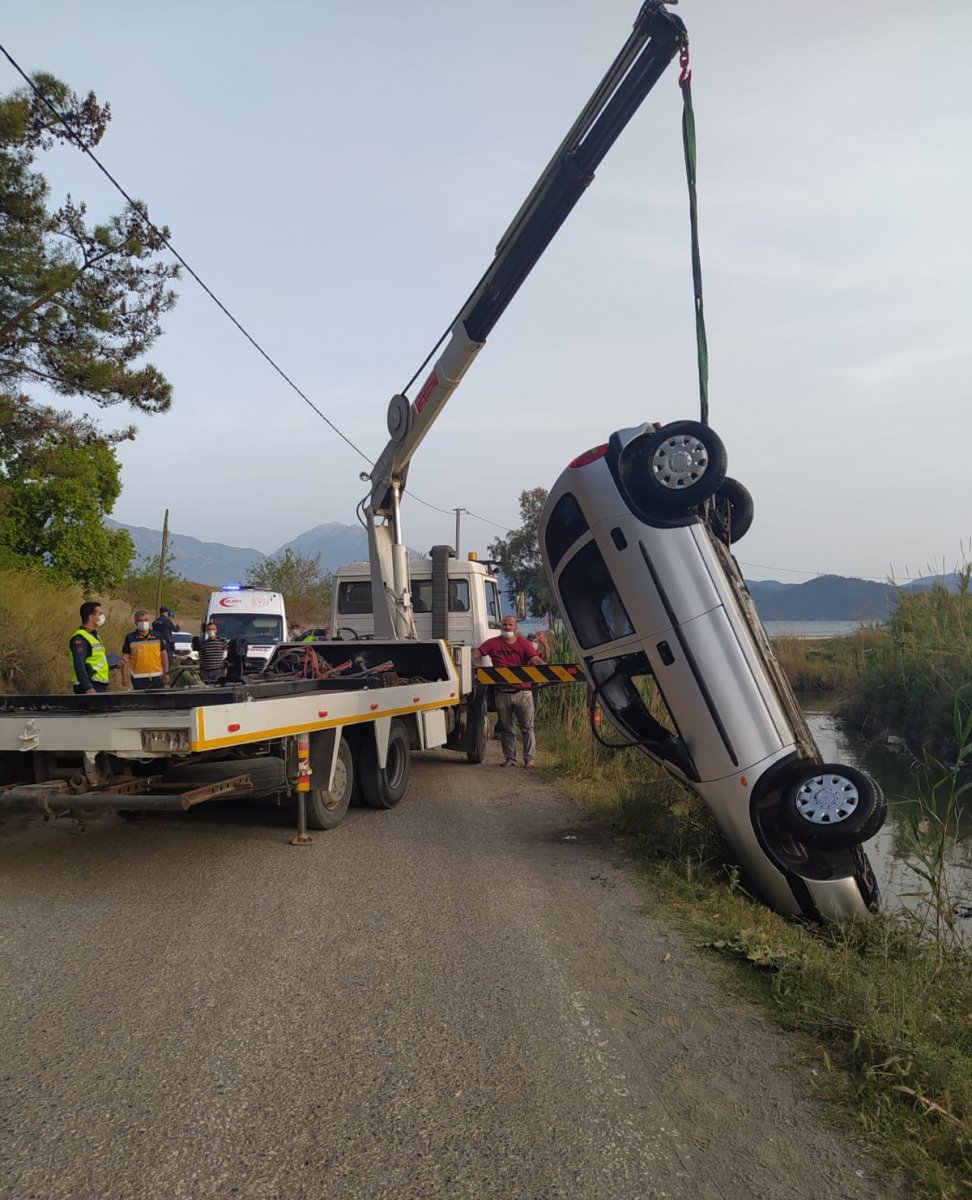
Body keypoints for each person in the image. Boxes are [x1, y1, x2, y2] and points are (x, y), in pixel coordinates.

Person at [476, 615, 543, 769]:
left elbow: (534, 658)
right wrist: (468, 658)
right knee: (506, 728)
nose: (507, 627)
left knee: (527, 728)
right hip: (502, 693)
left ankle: (529, 759)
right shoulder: (492, 643)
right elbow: (478, 652)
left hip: (523, 692)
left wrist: (544, 667)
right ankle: (510, 758)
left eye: (510, 625)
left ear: (515, 627)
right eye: (505, 624)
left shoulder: (524, 644)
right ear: (501, 626)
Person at [69, 601, 110, 695]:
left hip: (98, 684)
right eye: (100, 614)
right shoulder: (80, 638)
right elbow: (79, 664)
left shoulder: (94, 635)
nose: (102, 616)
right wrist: (88, 688)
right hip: (89, 686)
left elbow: (95, 660)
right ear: (91, 617)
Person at [121, 610, 169, 690]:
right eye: (140, 620)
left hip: (157, 677)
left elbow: (164, 655)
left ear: (149, 621)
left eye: (146, 620)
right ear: (135, 622)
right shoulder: (130, 638)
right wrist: (124, 676)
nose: (143, 622)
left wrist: (166, 673)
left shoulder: (157, 636)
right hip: (138, 679)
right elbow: (125, 657)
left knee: (159, 702)